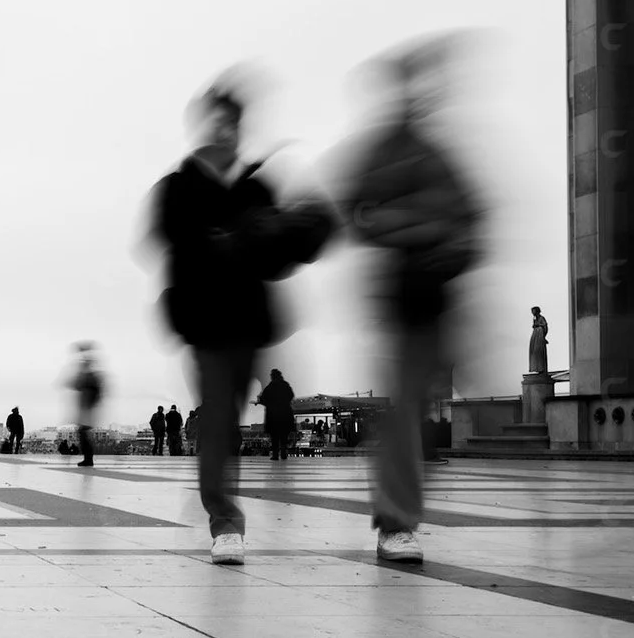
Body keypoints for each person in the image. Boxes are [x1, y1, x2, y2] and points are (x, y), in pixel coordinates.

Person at [147, 75, 332, 564]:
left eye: (232, 122)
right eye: (218, 121)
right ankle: (225, 521)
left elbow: (279, 255)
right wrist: (233, 241)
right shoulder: (179, 187)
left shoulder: (256, 183)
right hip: (206, 321)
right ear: (203, 126)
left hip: (249, 320)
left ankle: (221, 503)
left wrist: (293, 230)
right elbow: (172, 242)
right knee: (219, 418)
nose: (226, 131)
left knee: (228, 413)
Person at [333, 38, 485, 564]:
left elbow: (471, 221)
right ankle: (395, 521)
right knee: (405, 412)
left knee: (418, 409)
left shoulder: (437, 153)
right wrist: (425, 226)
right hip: (404, 296)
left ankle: (397, 515)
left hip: (437, 295)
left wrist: (421, 227)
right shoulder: (389, 150)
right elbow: (357, 210)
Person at [68, 344, 104, 467]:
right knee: (83, 433)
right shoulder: (90, 376)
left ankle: (88, 459)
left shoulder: (89, 376)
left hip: (87, 408)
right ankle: (88, 458)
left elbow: (77, 385)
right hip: (87, 408)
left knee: (83, 433)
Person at [257, 369, 297, 461]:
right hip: (285, 414)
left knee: (274, 436)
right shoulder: (285, 385)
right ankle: (283, 452)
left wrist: (268, 403)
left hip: (273, 415)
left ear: (272, 376)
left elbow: (263, 399)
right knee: (284, 436)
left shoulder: (270, 387)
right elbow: (291, 395)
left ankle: (275, 454)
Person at [529, 306, 549, 376]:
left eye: (533, 311)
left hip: (539, 335)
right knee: (535, 352)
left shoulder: (541, 318)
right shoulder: (535, 319)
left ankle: (541, 368)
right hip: (535, 336)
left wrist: (543, 336)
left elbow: (545, 327)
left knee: (539, 352)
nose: (532, 313)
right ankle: (537, 367)